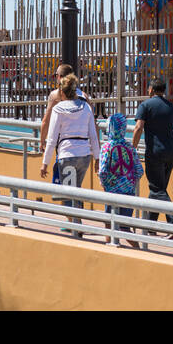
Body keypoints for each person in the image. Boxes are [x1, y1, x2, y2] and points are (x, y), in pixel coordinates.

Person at [40, 72, 101, 232]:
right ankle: (76, 222)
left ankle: (76, 226)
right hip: (84, 155)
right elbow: (93, 134)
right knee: (76, 189)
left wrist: (45, 163)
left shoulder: (59, 109)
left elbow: (52, 138)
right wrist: (97, 158)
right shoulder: (86, 107)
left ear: (62, 92)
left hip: (67, 154)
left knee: (67, 194)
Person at [132, 78, 173, 224]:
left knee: (156, 189)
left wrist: (132, 148)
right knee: (160, 188)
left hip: (154, 152)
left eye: (148, 88)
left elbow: (139, 127)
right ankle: (150, 223)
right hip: (171, 153)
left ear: (152, 89)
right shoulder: (171, 107)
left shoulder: (145, 105)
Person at [98, 113, 144, 246]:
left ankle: (109, 247)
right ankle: (137, 248)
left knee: (109, 222)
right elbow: (139, 170)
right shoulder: (130, 147)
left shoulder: (107, 147)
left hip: (112, 191)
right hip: (128, 191)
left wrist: (106, 184)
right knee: (124, 226)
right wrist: (130, 182)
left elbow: (103, 171)